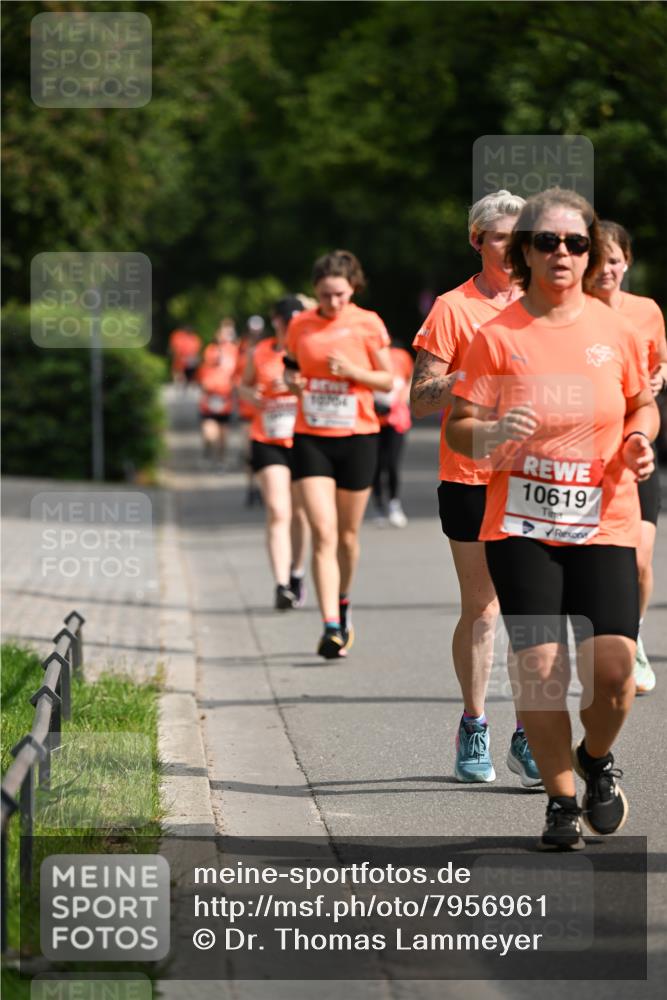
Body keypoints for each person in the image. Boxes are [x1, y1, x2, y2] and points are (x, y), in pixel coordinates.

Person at [447, 187, 658, 849]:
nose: (561, 253)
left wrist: (639, 440)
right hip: (520, 525)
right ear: (524, 254)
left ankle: (593, 758)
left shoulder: (616, 329)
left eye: (574, 242)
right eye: (546, 241)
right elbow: (457, 427)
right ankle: (562, 799)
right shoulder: (494, 337)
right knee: (539, 669)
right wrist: (487, 435)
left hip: (603, 518)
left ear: (590, 250)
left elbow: (639, 406)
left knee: (613, 671)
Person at [410, 190, 542, 788]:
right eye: (500, 238)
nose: (511, 250)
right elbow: (420, 395)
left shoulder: (549, 304)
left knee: (531, 610)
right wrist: (471, 374)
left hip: (535, 477)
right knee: (483, 610)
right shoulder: (452, 309)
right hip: (469, 476)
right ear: (477, 241)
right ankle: (474, 723)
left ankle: (529, 733)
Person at [284, 250, 393, 659]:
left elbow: (389, 381)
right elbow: (289, 366)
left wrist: (353, 373)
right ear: (315, 291)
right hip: (311, 435)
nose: (333, 304)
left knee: (347, 536)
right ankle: (330, 624)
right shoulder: (300, 324)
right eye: (327, 295)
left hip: (358, 436)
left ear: (353, 290)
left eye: (341, 296)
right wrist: (291, 381)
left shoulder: (367, 323)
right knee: (323, 531)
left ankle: (344, 603)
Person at [589, 220, 667, 694]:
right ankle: (603, 640)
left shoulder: (646, 311)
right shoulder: (570, 314)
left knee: (639, 559)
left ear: (627, 263)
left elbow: (658, 364)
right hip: (585, 457)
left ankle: (631, 635)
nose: (606, 270)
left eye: (614, 260)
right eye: (597, 261)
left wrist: (659, 378)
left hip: (636, 448)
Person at [240, 296, 310, 609]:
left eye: (297, 320)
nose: (291, 327)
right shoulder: (261, 351)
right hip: (268, 437)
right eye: (286, 321)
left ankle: (297, 572)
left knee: (300, 514)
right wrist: (250, 394)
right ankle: (281, 584)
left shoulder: (310, 349)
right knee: (278, 511)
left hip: (305, 438)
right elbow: (241, 386)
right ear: (277, 322)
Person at [372, 341, 414, 527]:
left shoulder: (401, 356)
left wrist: (401, 399)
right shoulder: (368, 356)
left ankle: (394, 504)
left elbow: (411, 378)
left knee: (392, 463)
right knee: (375, 466)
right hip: (373, 421)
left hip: (397, 419)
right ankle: (380, 507)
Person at [197, 319, 238, 466]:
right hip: (210, 396)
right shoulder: (211, 350)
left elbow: (238, 372)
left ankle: (221, 459)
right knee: (209, 432)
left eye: (230, 332)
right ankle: (208, 449)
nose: (227, 335)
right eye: (224, 332)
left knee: (223, 433)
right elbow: (206, 368)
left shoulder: (235, 351)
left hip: (225, 397)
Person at [236, 315, 266, 506]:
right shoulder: (240, 350)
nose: (255, 334)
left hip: (267, 411)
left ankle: (264, 488)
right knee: (249, 453)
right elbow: (237, 381)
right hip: (247, 410)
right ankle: (251, 487)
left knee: (263, 454)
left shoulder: (268, 349)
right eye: (252, 330)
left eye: (258, 330)